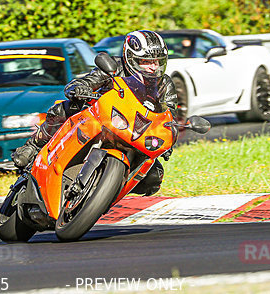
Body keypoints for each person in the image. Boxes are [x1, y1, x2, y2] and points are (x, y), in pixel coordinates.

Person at [11, 30, 179, 196]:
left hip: (135, 133)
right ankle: (33, 147)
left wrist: (169, 136)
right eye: (146, 61)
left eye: (157, 61)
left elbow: (169, 117)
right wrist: (79, 88)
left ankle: (108, 190)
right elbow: (86, 81)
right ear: (130, 57)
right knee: (64, 108)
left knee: (154, 177)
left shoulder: (165, 84)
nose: (153, 67)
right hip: (101, 119)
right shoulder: (114, 67)